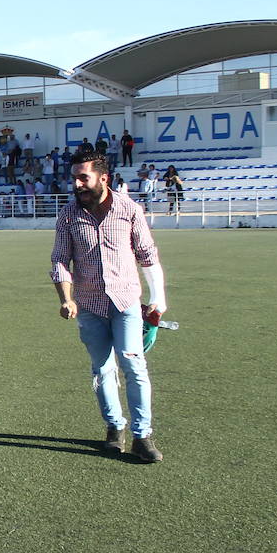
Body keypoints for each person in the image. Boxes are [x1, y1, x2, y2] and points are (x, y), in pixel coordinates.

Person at [51, 150, 166, 463]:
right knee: (102, 369)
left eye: (83, 177)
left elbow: (147, 255)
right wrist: (66, 298)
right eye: (74, 178)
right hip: (89, 305)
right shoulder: (68, 214)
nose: (77, 184)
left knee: (134, 365)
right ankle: (115, 428)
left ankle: (142, 435)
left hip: (126, 302)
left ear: (103, 178)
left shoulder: (129, 209)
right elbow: (60, 260)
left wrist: (158, 298)